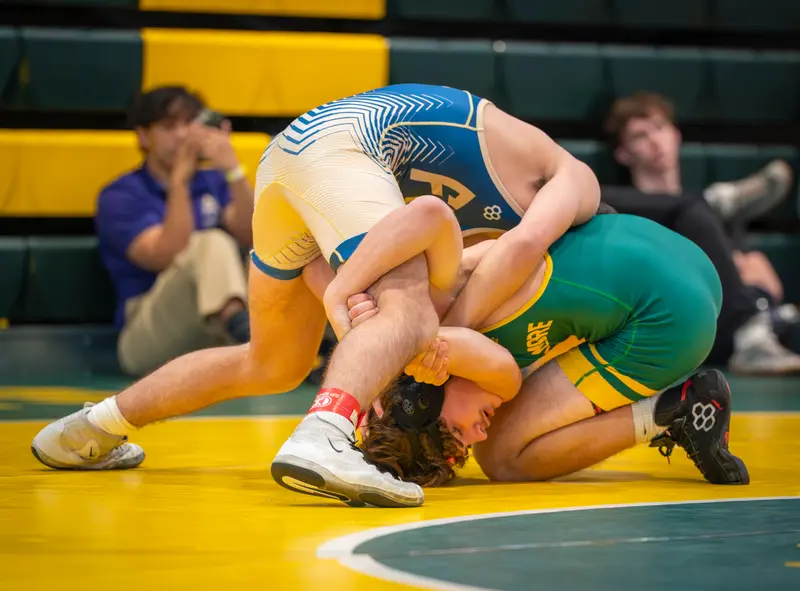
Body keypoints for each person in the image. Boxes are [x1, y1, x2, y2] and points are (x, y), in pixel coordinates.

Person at [30, 83, 600, 508]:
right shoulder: (577, 184)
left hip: (291, 160)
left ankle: (90, 429)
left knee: (271, 362)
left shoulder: (483, 217)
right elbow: (522, 245)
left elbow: (320, 263)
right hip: (342, 146)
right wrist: (428, 331)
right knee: (409, 310)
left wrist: (353, 301)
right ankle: (326, 434)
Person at [352, 212, 749, 488]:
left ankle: (673, 412)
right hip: (681, 257)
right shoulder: (433, 308)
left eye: (457, 431)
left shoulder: (448, 343)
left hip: (671, 317)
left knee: (501, 458)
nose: (476, 435)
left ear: (426, 386)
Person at [601, 91, 800, 375]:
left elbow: (760, 280)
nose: (655, 141)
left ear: (676, 135)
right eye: (640, 136)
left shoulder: (711, 219)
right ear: (623, 153)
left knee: (698, 212)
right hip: (674, 325)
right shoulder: (621, 211)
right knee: (694, 208)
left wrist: (759, 292)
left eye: (660, 128)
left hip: (725, 327)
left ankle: (752, 336)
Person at [96, 86, 254, 377]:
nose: (182, 135)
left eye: (189, 123)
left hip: (210, 332)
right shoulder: (119, 196)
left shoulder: (212, 181)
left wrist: (233, 168)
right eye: (169, 126)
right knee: (211, 242)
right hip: (146, 338)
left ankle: (316, 340)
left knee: (285, 249)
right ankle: (245, 331)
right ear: (144, 136)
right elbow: (164, 255)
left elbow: (252, 235)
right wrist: (179, 182)